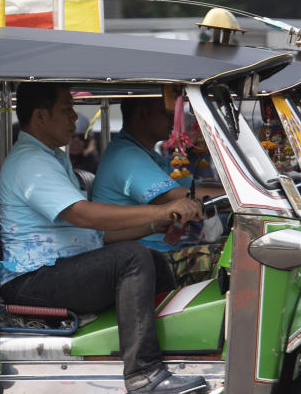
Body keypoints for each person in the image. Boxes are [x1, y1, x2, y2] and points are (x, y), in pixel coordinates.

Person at [0, 83, 208, 394]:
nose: (75, 117)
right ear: (40, 116)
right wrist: (161, 210)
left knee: (150, 259)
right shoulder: (30, 162)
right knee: (133, 259)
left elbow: (93, 237)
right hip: (32, 280)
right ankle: (143, 375)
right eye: (67, 109)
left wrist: (156, 224)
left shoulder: (52, 158)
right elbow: (82, 215)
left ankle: (173, 360)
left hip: (57, 270)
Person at [92, 96, 226, 287]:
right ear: (141, 114)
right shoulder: (126, 155)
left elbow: (192, 188)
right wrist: (240, 196)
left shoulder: (148, 155)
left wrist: (236, 189)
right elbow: (172, 197)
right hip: (144, 260)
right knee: (232, 259)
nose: (173, 120)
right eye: (166, 113)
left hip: (159, 253)